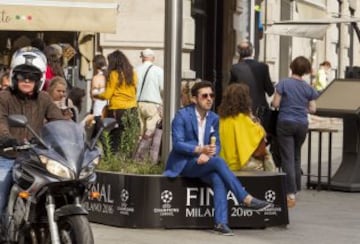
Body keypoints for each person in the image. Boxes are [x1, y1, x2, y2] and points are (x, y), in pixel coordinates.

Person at [164, 80, 272, 236]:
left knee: (217, 177)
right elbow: (178, 144)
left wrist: (210, 154)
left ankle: (221, 223)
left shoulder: (214, 118)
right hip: (185, 163)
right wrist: (199, 151)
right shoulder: (182, 116)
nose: (209, 99)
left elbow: (218, 144)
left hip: (206, 162)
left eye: (212, 95)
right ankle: (244, 198)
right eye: (204, 96)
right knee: (219, 162)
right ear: (194, 99)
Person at [0, 47, 64, 224]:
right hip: (7, 155)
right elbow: (1, 122)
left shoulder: (44, 98)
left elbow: (59, 120)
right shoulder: (4, 97)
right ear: (14, 76)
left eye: (33, 76)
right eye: (22, 75)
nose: (27, 79)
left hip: (35, 158)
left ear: (40, 79)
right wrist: (7, 138)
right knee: (1, 193)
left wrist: (74, 135)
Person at [272, 56, 318, 208]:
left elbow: (276, 103)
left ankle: (290, 192)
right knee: (297, 156)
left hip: (285, 122)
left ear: (292, 67)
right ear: (305, 71)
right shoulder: (308, 87)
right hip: (302, 124)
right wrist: (301, 108)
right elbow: (313, 109)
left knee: (287, 157)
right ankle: (297, 187)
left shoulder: (284, 83)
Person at [218, 83, 275, 171]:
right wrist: (252, 117)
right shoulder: (244, 119)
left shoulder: (222, 120)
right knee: (267, 157)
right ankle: (271, 181)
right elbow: (261, 136)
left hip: (225, 164)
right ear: (245, 100)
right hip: (242, 165)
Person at [93, 50, 138, 153]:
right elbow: (135, 90)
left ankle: (114, 156)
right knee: (130, 134)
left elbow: (108, 94)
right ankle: (128, 156)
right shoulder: (132, 73)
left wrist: (97, 95)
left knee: (116, 134)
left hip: (118, 109)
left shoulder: (114, 74)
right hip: (132, 108)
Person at [229, 40, 274, 116]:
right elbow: (270, 91)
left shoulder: (235, 68)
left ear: (239, 52)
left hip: (242, 110)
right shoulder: (263, 67)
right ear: (252, 51)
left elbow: (230, 90)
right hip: (260, 111)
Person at [136, 48, 164, 137]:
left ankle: (138, 150)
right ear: (153, 58)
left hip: (138, 103)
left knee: (139, 134)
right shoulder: (158, 70)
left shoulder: (135, 70)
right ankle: (147, 151)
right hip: (153, 104)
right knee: (150, 134)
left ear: (142, 58)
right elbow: (163, 89)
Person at [91, 54, 108, 136]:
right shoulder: (108, 76)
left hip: (98, 108)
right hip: (107, 108)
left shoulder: (96, 78)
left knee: (97, 134)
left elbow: (93, 95)